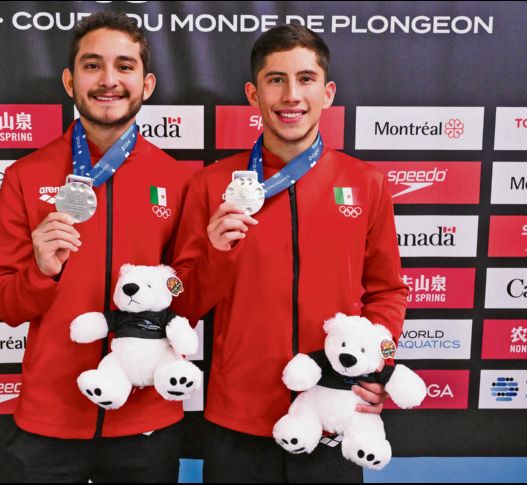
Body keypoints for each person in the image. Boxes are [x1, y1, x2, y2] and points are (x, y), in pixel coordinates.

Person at [171, 24, 408, 482]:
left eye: (306, 79)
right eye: (276, 79)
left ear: (327, 93)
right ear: (253, 94)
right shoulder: (211, 185)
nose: (291, 95)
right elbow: (183, 306)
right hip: (237, 421)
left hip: (332, 410)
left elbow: (388, 291)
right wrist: (217, 253)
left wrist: (378, 364)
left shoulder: (366, 183)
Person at [0, 11, 194, 483]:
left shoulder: (176, 179)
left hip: (145, 417)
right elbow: (7, 306)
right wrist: (40, 271)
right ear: (69, 80)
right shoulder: (25, 176)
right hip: (51, 420)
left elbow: (187, 294)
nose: (108, 80)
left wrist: (201, 269)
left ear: (146, 85)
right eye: (92, 65)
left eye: (125, 66)